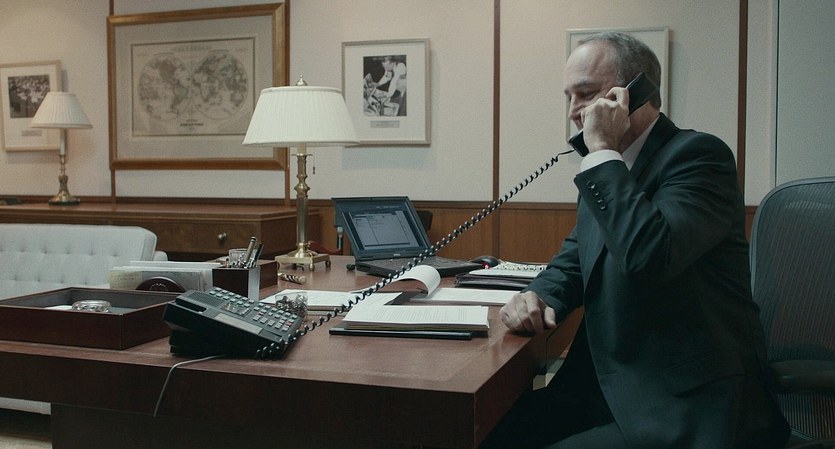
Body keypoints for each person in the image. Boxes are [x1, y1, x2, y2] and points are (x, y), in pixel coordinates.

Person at [482, 32, 789, 449]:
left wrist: (602, 152)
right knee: (483, 432)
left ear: (633, 93)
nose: (574, 112)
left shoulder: (697, 157)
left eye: (585, 94)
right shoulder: (607, 171)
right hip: (606, 389)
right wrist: (537, 295)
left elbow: (650, 255)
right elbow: (575, 260)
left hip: (682, 403)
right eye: (569, 97)